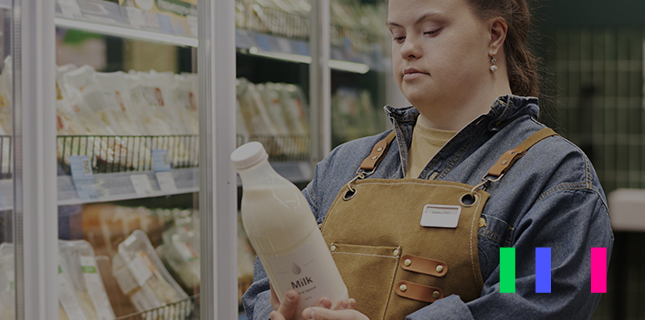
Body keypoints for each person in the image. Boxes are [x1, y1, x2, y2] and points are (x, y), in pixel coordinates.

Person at [242, 0, 614, 319]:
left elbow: (552, 301)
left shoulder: (559, 177)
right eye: (398, 35)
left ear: (495, 35)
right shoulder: (342, 166)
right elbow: (263, 283)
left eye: (431, 30)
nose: (408, 49)